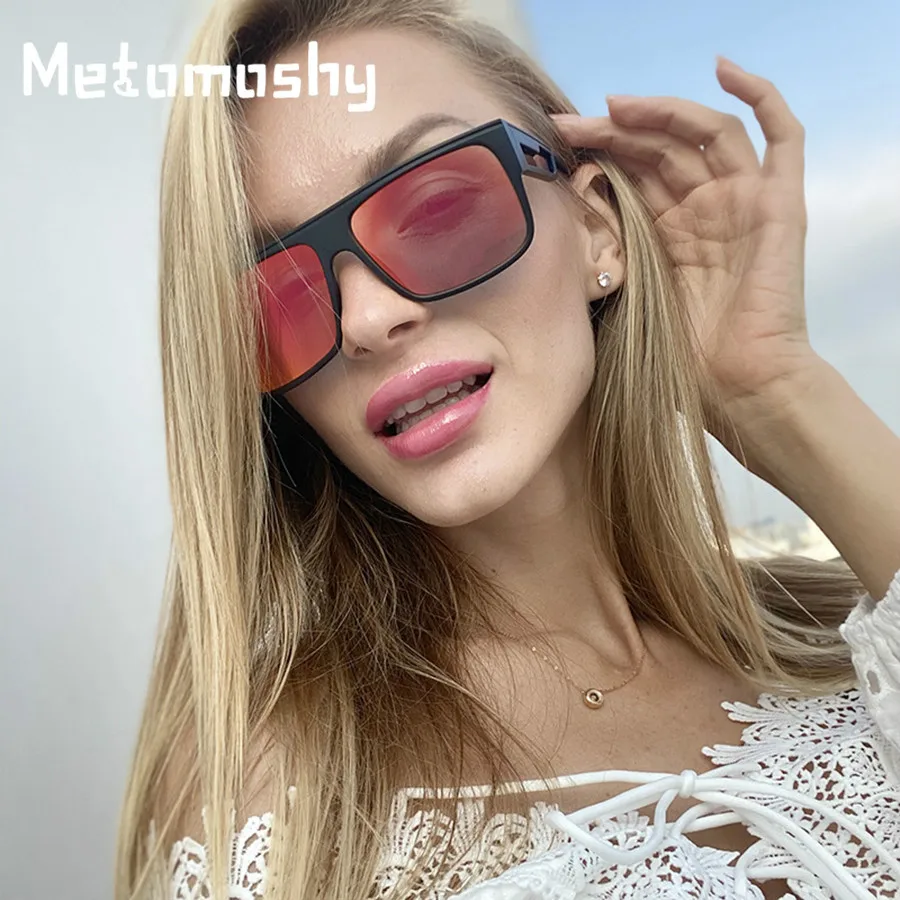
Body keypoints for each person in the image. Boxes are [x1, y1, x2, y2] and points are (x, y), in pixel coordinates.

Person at [114, 0, 900, 897]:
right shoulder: (270, 800)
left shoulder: (843, 631)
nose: (368, 318)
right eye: (279, 291)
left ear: (598, 229)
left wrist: (780, 394)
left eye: (437, 207)